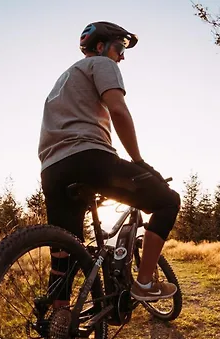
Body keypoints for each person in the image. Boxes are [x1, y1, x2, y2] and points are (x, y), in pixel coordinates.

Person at [38, 21, 180, 308]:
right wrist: (139, 162)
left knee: (65, 254)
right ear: (101, 46)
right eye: (120, 47)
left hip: (51, 168)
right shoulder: (102, 64)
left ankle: (59, 322)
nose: (122, 56)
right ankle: (145, 283)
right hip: (89, 157)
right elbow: (118, 109)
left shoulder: (64, 80)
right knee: (168, 201)